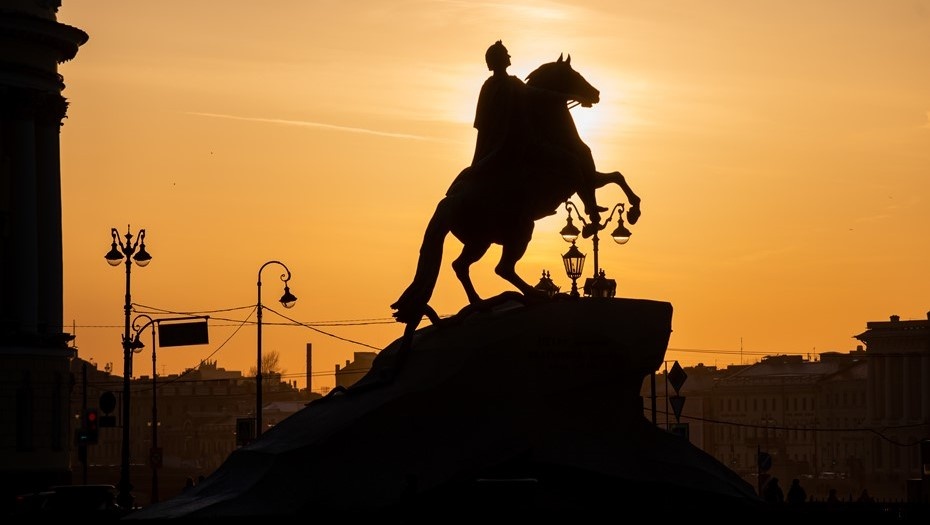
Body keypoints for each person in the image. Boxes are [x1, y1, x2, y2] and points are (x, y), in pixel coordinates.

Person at [470, 40, 527, 166]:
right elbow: (536, 93)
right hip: (507, 143)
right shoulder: (511, 83)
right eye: (506, 53)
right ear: (499, 59)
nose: (509, 56)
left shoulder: (489, 85)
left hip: (496, 143)